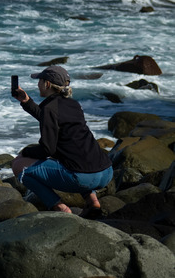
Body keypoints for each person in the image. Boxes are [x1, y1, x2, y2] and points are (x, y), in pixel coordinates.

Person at [11, 65, 113, 214]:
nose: (37, 84)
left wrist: (26, 151)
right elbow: (51, 121)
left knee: (18, 165)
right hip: (105, 172)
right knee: (77, 157)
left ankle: (60, 207)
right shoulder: (73, 104)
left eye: (40, 80)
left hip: (82, 178)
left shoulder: (50, 108)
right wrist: (27, 102)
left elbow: (47, 149)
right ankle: (93, 202)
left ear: (46, 84)